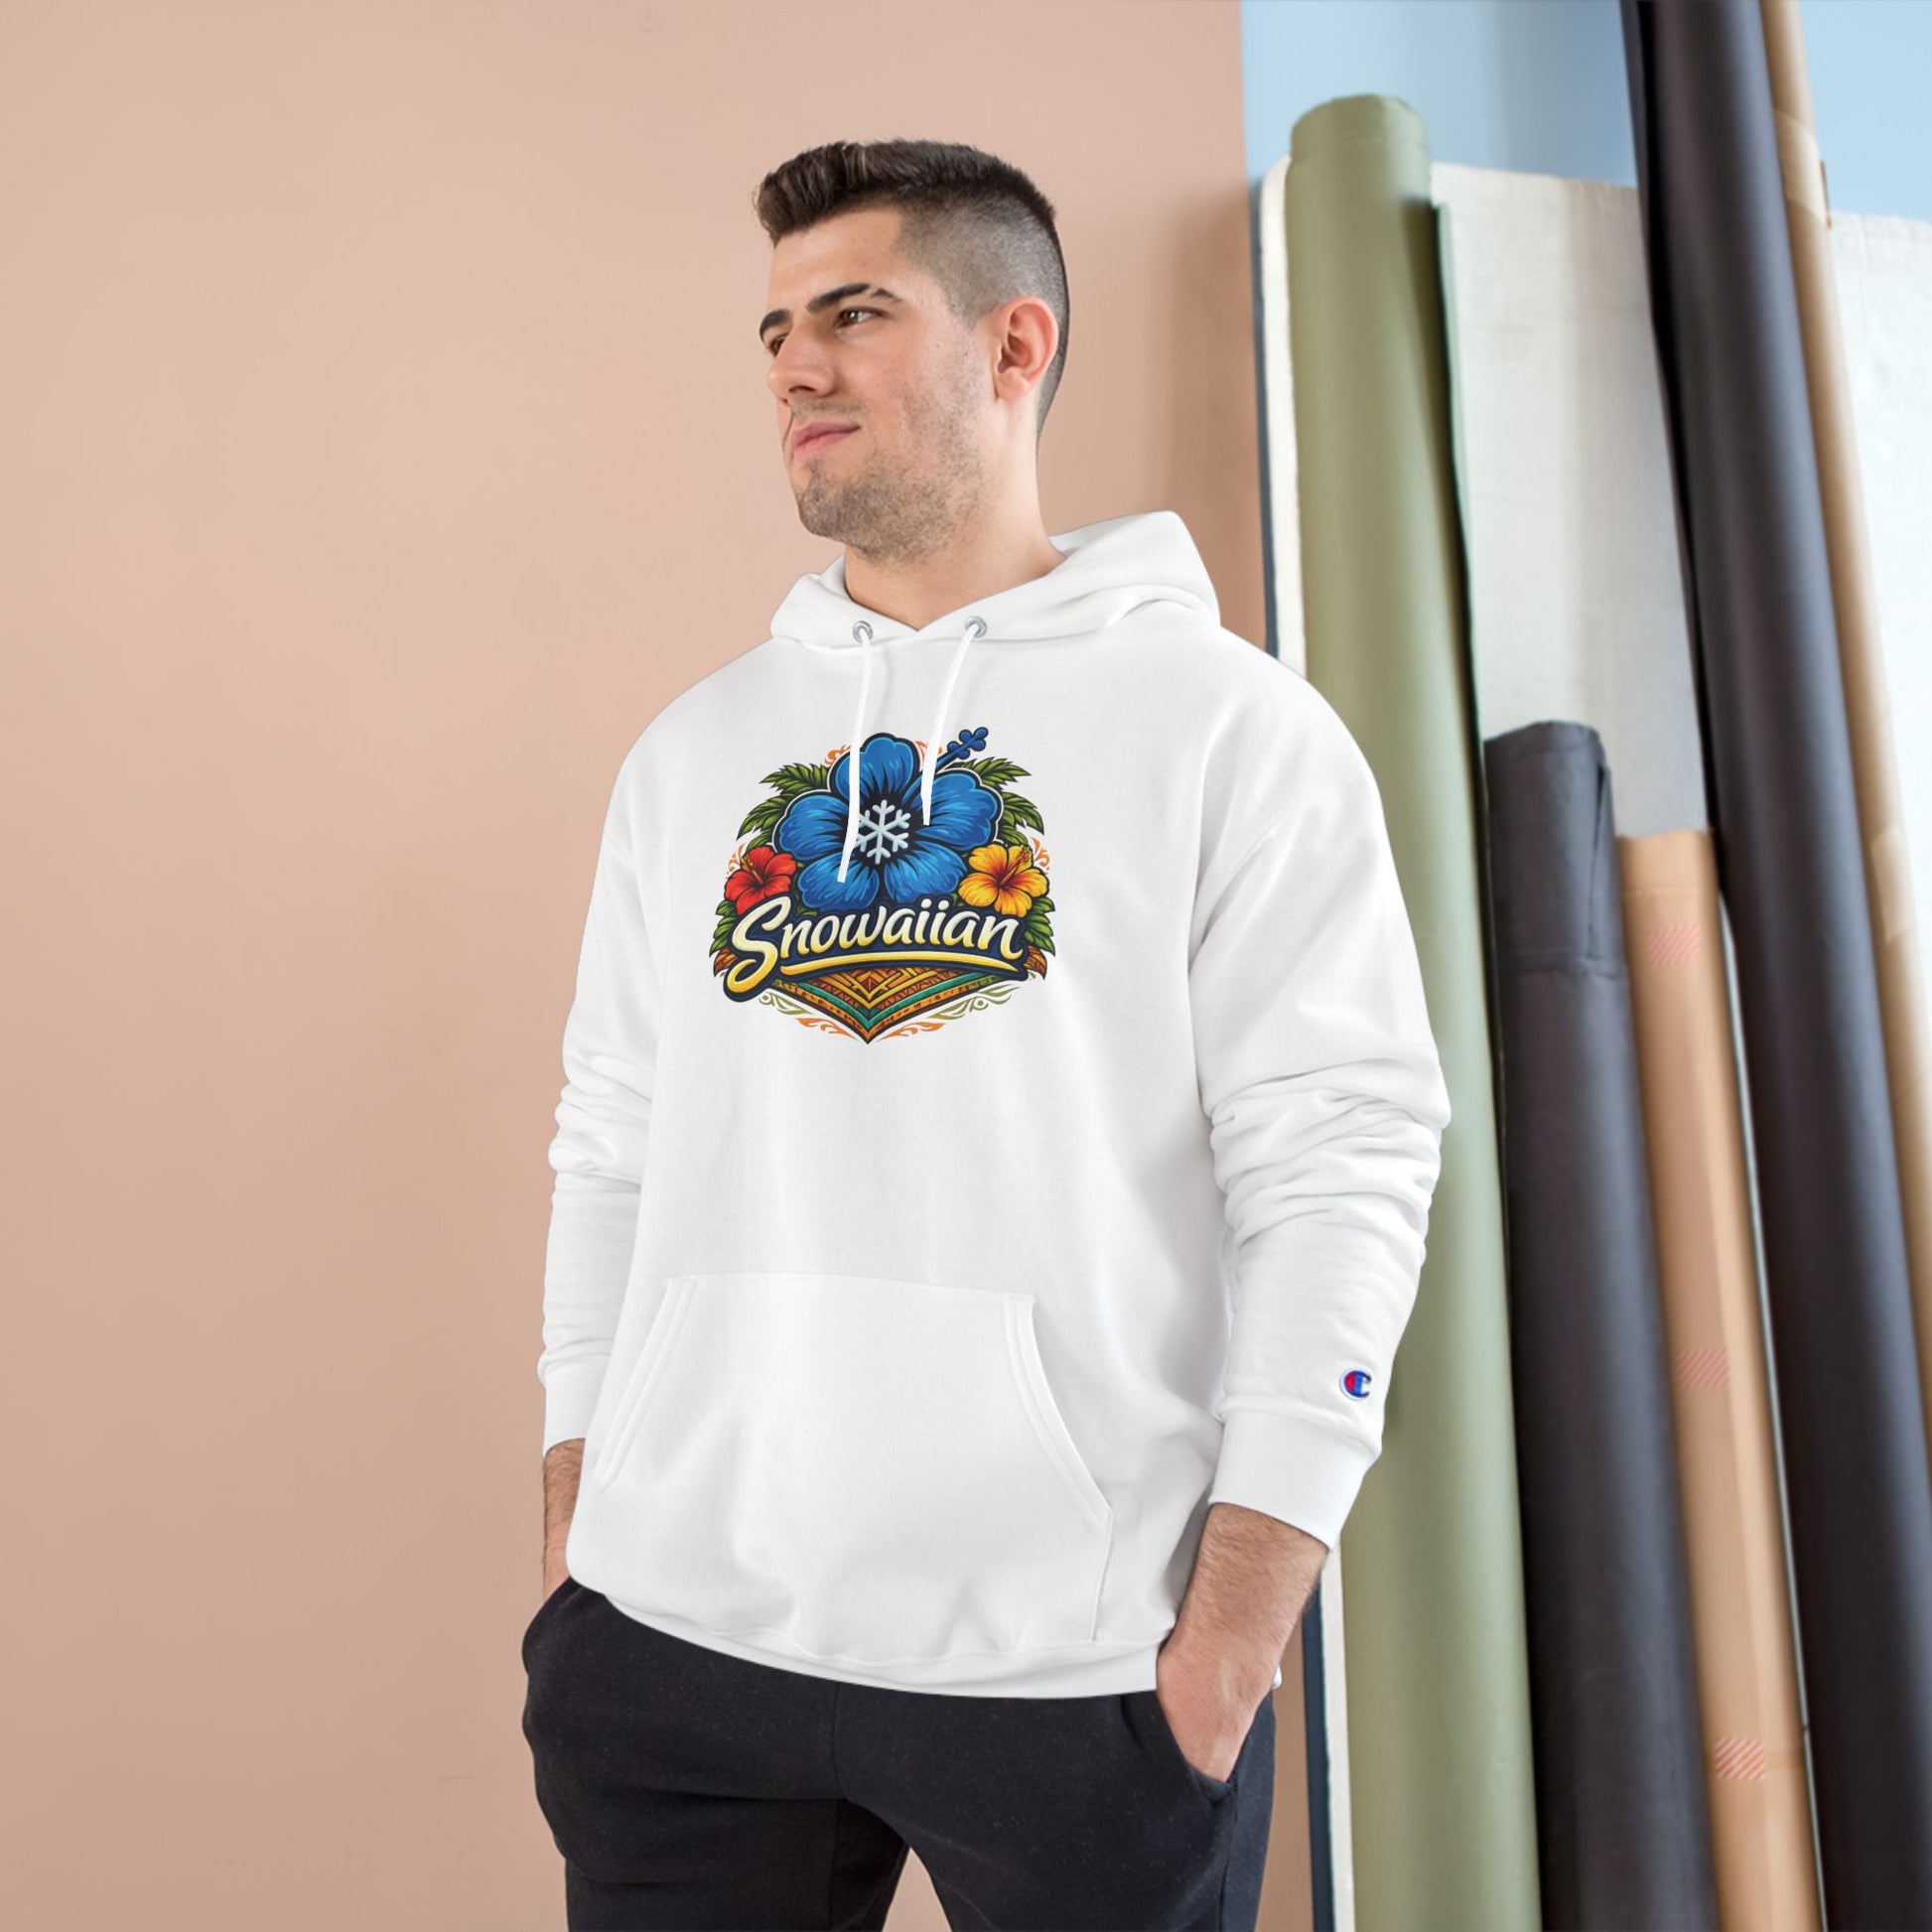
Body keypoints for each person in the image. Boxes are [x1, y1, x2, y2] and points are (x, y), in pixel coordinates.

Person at [518, 137, 1450, 1932]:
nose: (794, 365)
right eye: (775, 328)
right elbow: (608, 1137)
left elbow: (1341, 1163)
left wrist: (1236, 1627)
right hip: (677, 1640)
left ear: (1015, 345)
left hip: (1073, 1660)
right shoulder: (694, 752)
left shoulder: (1233, 734)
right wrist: (579, 1512)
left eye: (855, 314)